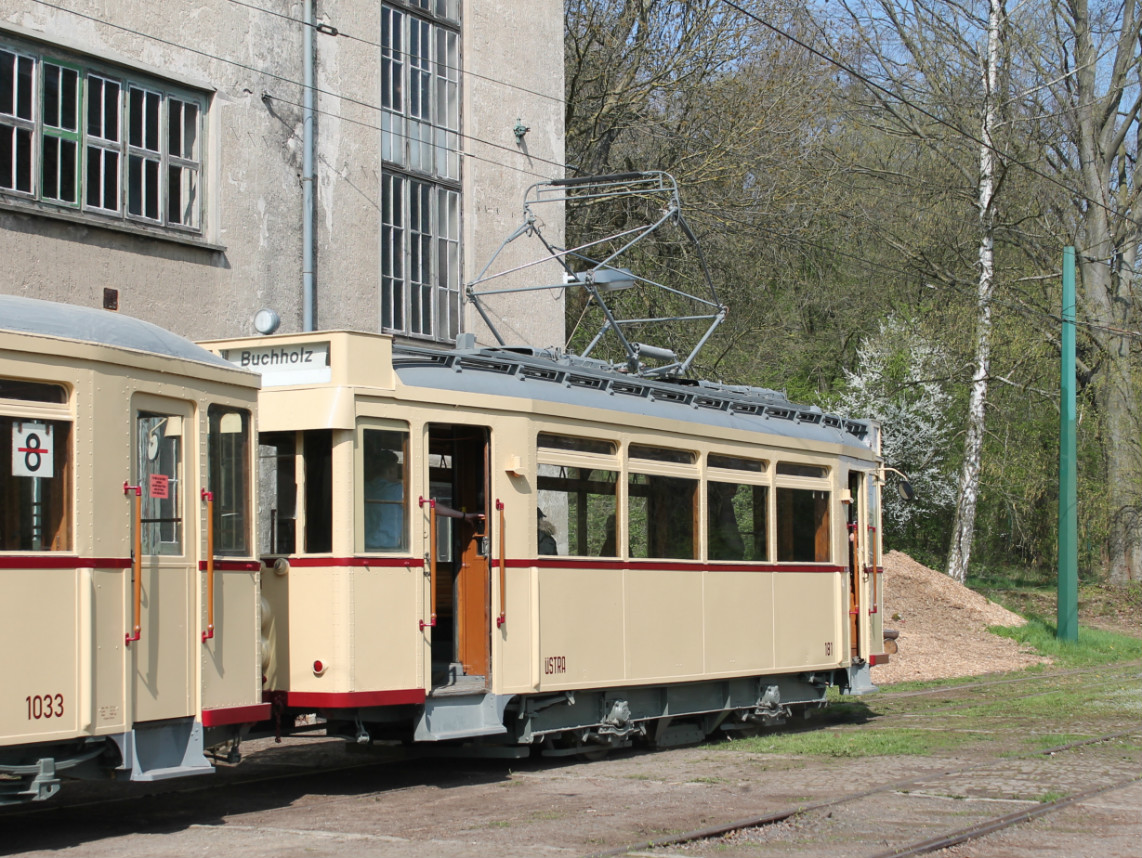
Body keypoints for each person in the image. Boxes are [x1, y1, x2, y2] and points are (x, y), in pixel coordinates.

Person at [365, 449, 404, 550]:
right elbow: (425, 505)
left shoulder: (364, 488)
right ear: (390, 470)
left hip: (364, 545)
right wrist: (451, 513)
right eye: (396, 469)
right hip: (388, 546)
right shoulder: (397, 490)